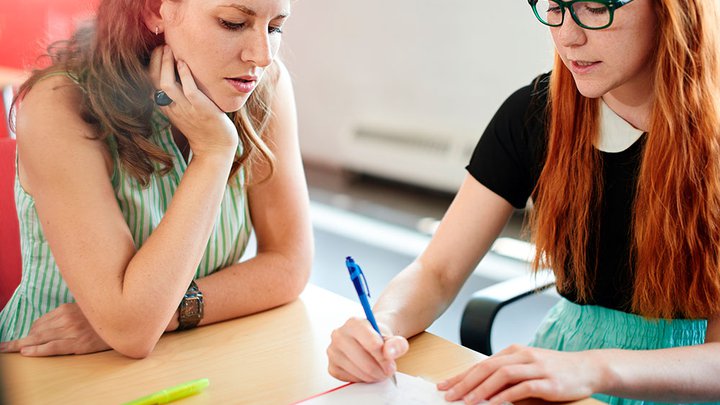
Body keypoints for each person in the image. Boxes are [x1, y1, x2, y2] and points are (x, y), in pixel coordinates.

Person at [327, 0, 720, 403]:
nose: (568, 35)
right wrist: (380, 327)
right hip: (567, 367)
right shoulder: (534, 113)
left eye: (596, 7)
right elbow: (437, 271)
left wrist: (596, 367)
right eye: (554, 6)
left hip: (681, 378)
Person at [0, 0, 312, 359]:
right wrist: (213, 152)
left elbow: (290, 264)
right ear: (154, 11)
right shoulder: (59, 105)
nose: (262, 56)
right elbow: (132, 332)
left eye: (274, 28)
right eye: (232, 23)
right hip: (48, 365)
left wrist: (170, 313)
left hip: (187, 354)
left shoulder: (262, 85)